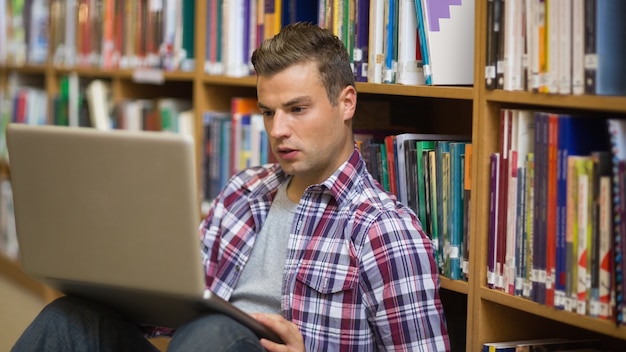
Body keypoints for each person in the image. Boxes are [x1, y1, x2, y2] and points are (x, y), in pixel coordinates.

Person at [12, 22, 450, 351]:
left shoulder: (383, 229)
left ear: (346, 102)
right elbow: (176, 309)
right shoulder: (245, 192)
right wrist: (115, 282)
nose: (278, 130)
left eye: (297, 109)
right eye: (267, 112)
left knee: (213, 333)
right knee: (67, 319)